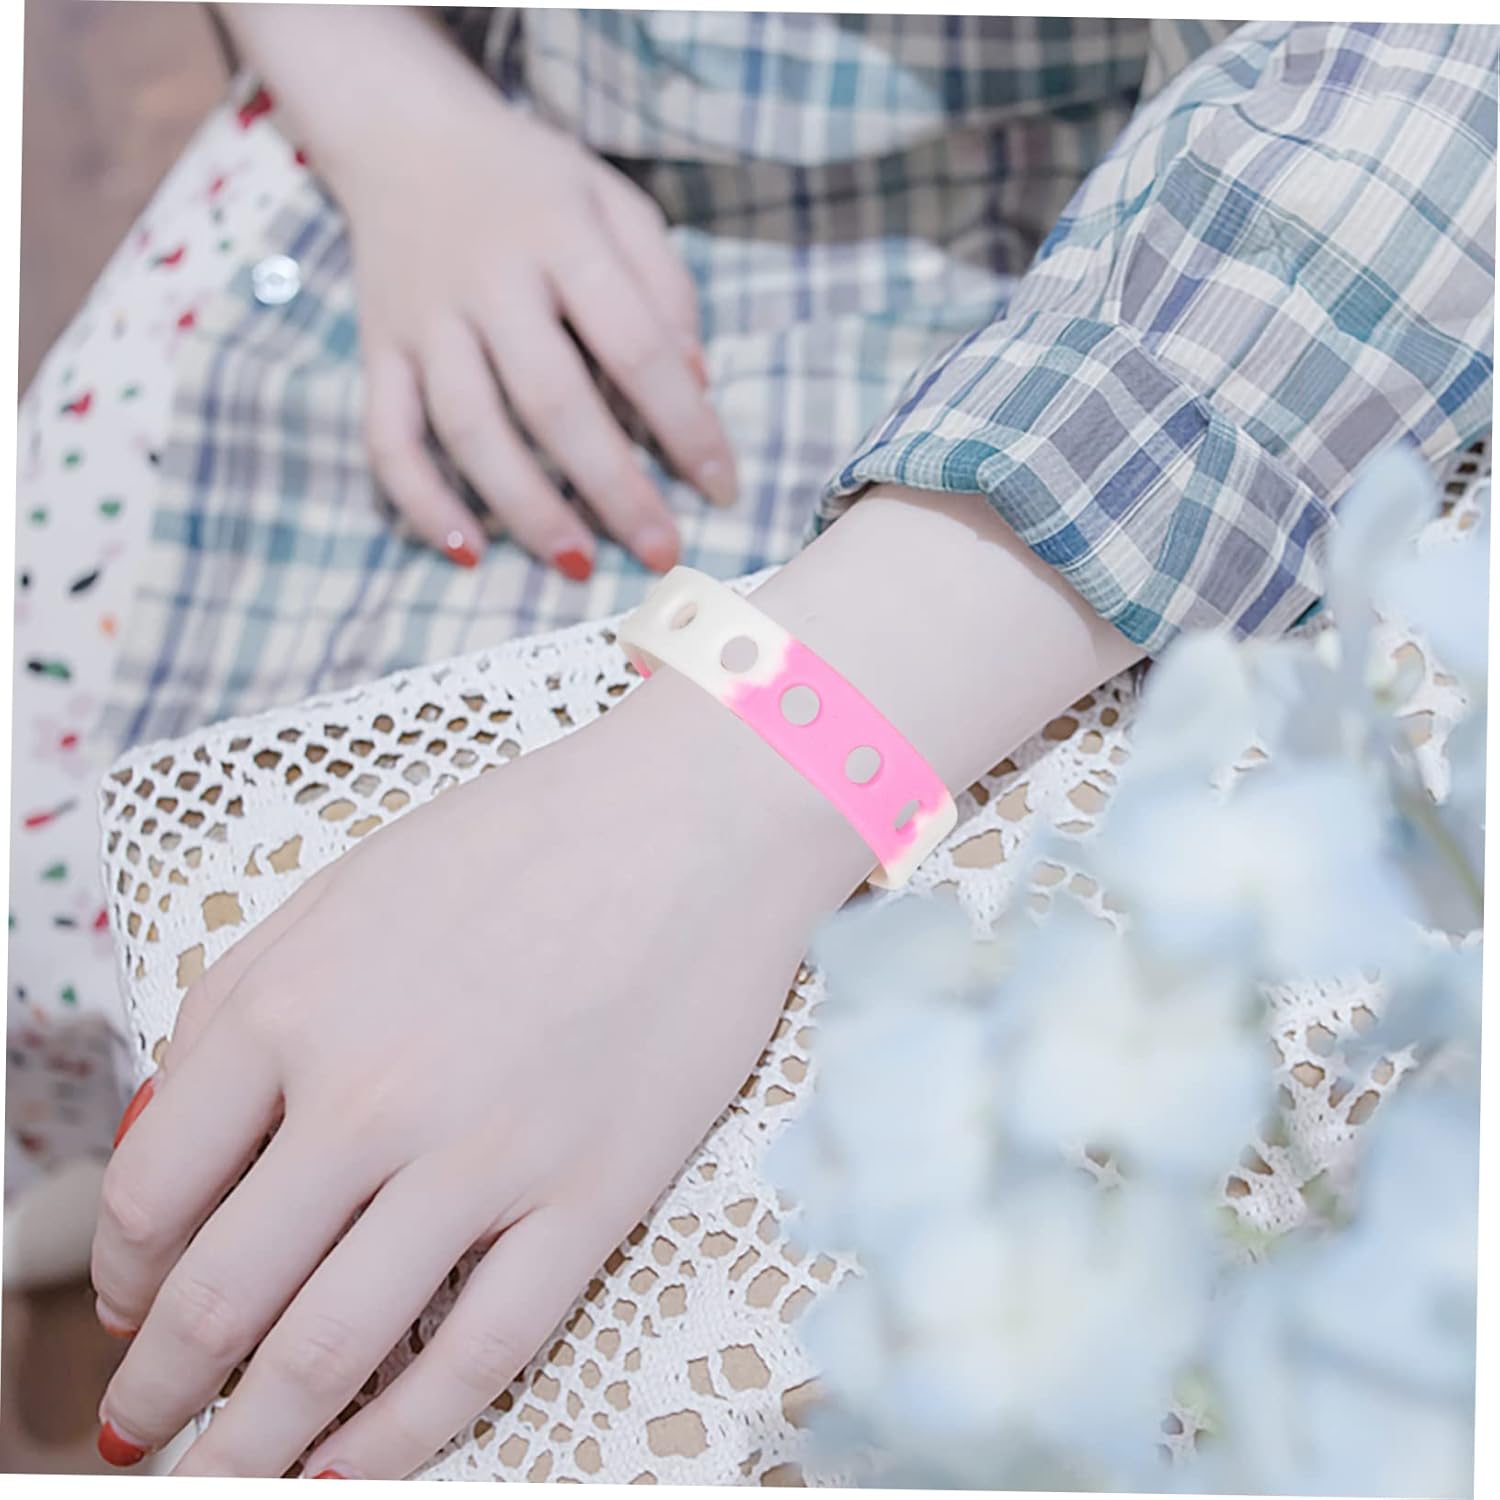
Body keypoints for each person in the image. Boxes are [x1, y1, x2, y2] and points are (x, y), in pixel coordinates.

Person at [8, 6, 1493, 1482]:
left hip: (1139, 298)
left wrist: (723, 785)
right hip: (452, 179)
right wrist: (394, 115)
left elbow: (1420, 87)